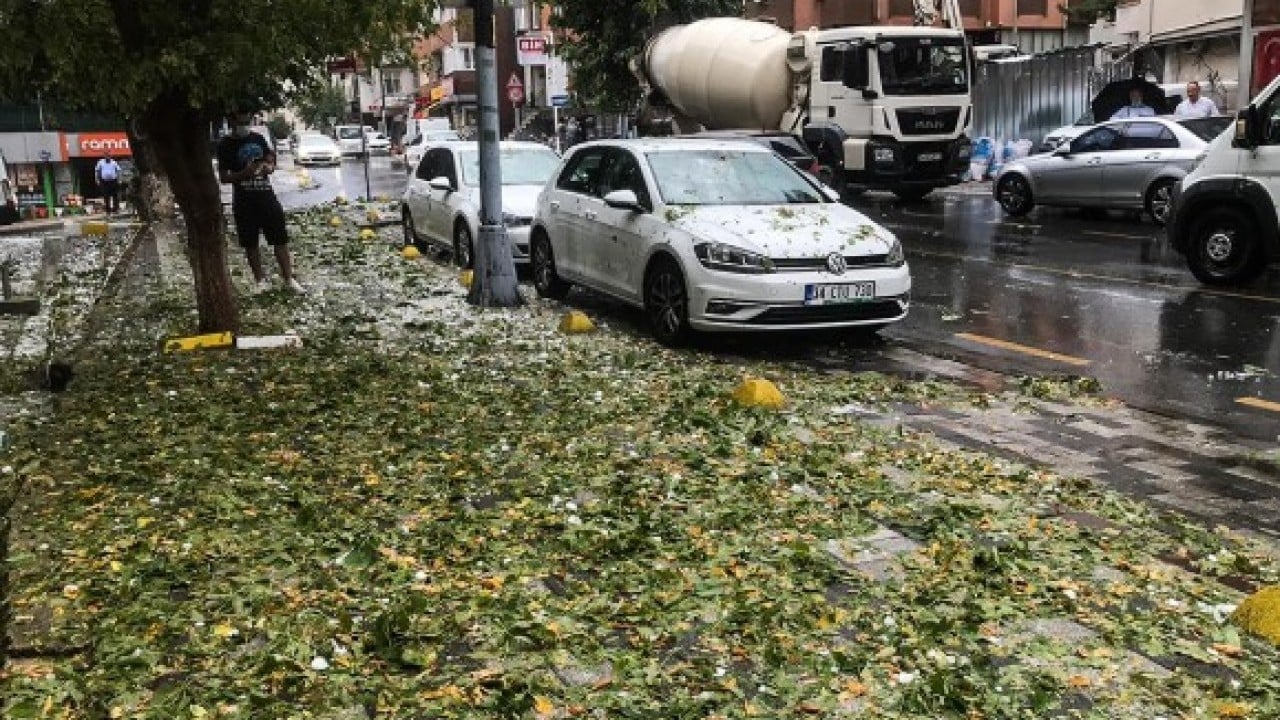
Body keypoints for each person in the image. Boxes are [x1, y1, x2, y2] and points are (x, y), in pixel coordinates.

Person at [216, 109, 304, 294]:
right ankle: (260, 280)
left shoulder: (257, 138)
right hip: (244, 201)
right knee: (250, 243)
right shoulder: (225, 145)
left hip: (267, 197)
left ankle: (288, 278)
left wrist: (269, 165)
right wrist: (243, 174)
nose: (243, 126)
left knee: (280, 238)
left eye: (246, 122)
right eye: (240, 123)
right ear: (231, 121)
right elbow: (224, 177)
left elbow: (270, 157)